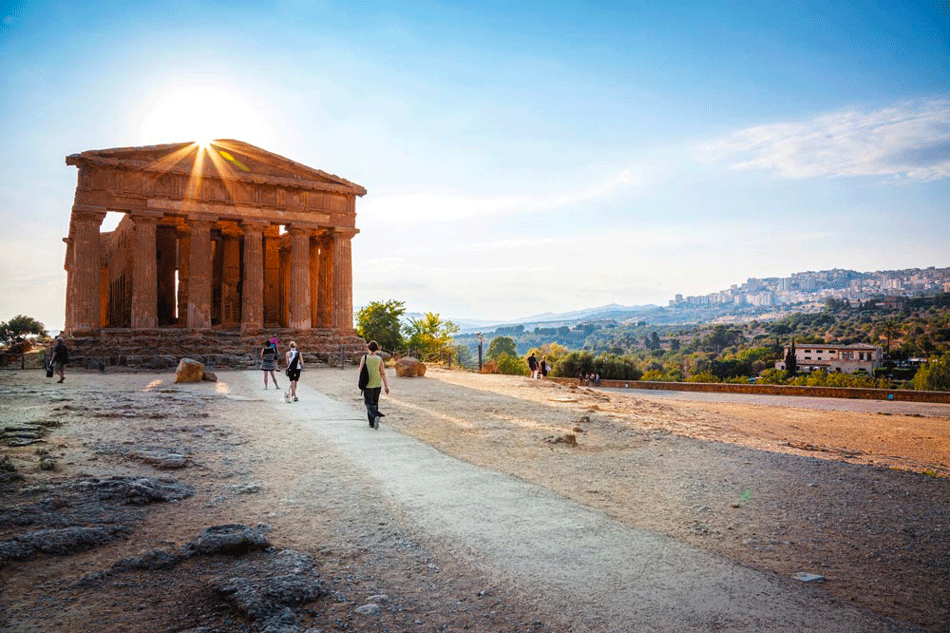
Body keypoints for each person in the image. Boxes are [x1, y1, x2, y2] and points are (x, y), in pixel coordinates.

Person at [358, 340, 390, 428]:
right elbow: (383, 373)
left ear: (368, 348)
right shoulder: (379, 359)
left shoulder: (364, 358)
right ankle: (372, 423)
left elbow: (360, 371)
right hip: (377, 384)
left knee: (368, 403)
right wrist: (386, 386)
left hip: (368, 385)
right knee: (375, 403)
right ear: (376, 349)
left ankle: (375, 416)